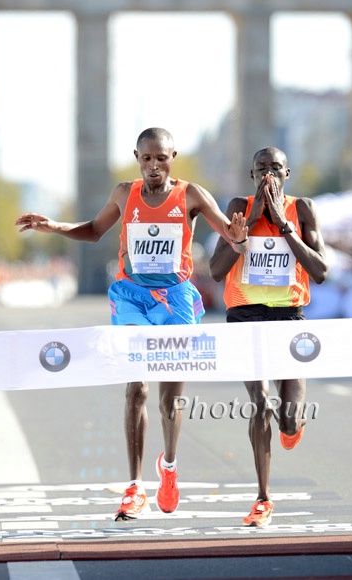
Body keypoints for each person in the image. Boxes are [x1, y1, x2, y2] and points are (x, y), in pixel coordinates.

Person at [15, 127, 247, 521]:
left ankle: (168, 468)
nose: (154, 166)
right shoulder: (125, 194)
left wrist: (238, 239)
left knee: (169, 396)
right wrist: (53, 226)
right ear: (136, 157)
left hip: (175, 299)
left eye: (161, 158)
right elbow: (93, 230)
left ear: (173, 156)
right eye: (146, 159)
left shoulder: (191, 194)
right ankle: (135, 487)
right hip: (132, 296)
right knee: (136, 386)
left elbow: (230, 233)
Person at [209, 146, 328, 527]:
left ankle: (292, 426)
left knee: (289, 419)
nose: (268, 176)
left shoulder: (303, 209)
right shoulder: (237, 208)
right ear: (251, 174)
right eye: (261, 168)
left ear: (287, 173)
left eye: (275, 169)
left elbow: (321, 270)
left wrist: (283, 224)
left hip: (290, 318)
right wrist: (245, 231)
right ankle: (262, 498)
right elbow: (215, 271)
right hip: (245, 316)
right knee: (259, 401)